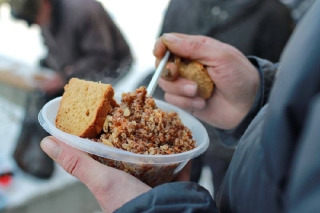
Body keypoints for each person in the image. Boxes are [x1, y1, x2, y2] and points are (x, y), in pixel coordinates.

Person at [40, 1, 320, 212]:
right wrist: (258, 93)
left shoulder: (273, 13)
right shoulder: (182, 2)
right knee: (182, 180)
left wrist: (159, 208)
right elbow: (294, 90)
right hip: (189, 122)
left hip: (230, 147)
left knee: (214, 180)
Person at [137, 0, 294, 193]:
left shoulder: (273, 13)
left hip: (235, 138)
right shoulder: (180, 3)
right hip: (181, 119)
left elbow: (286, 81)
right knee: (176, 187)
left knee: (227, 192)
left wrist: (255, 95)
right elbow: (164, 52)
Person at [9, 0, 133, 179]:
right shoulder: (46, 17)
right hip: (74, 63)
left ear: (44, 4)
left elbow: (102, 56)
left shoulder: (83, 11)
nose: (34, 25)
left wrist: (65, 77)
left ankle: (88, 149)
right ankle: (39, 154)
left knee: (79, 96)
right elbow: (52, 50)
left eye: (33, 19)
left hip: (112, 62)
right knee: (43, 94)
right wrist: (48, 73)